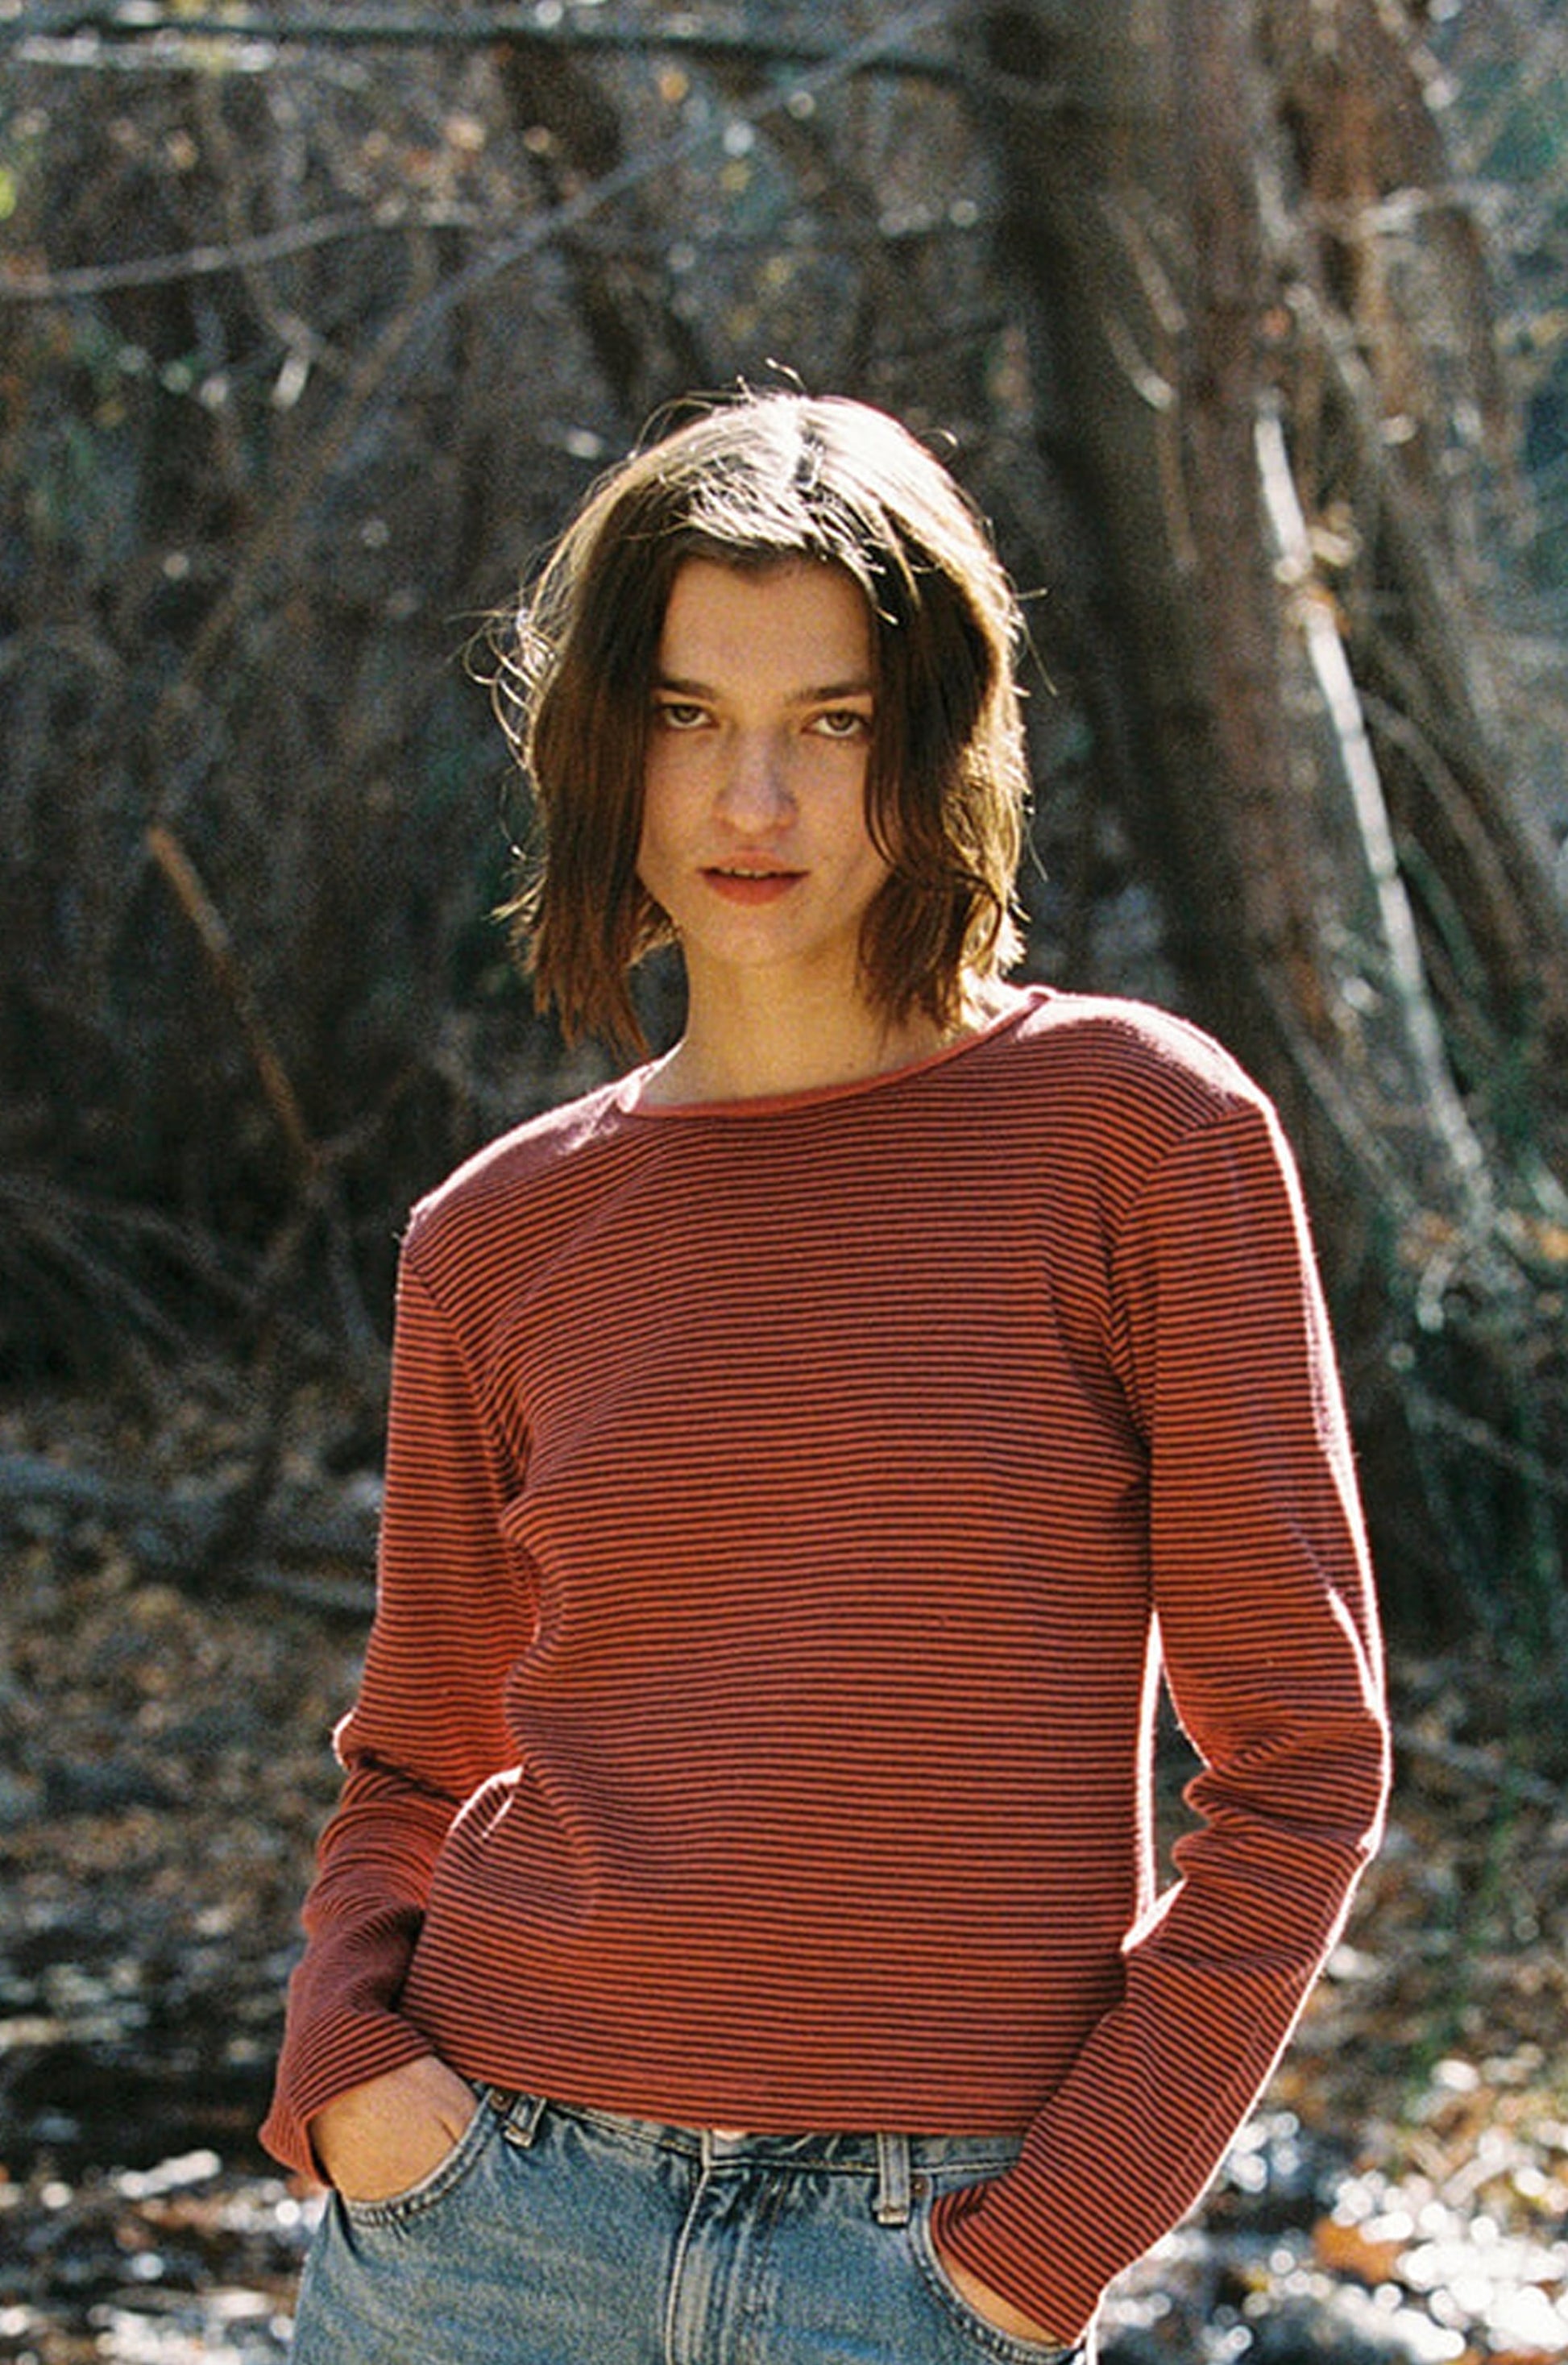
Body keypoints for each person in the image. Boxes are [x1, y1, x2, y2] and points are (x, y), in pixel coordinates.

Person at [262, 391, 1389, 2365]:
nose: (750, 801)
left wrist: (1048, 2238)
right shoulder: (496, 1233)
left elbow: (1301, 1762)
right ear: (599, 748)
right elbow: (415, 1760)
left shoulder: (1138, 1133)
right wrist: (350, 2057)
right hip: (481, 2230)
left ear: (938, 740)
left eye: (831, 720)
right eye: (688, 717)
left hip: (919, 2252)